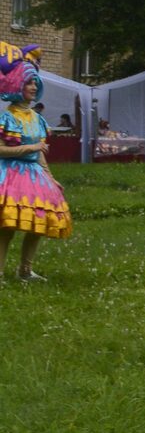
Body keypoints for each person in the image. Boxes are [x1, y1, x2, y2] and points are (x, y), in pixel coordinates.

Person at [0, 48, 71, 280]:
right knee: (7, 227)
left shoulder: (37, 119)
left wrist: (50, 178)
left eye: (34, 83)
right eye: (27, 82)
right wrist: (30, 148)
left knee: (37, 223)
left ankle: (25, 271)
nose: (32, 87)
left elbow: (41, 155)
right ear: (15, 85)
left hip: (34, 177)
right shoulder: (6, 118)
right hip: (9, 175)